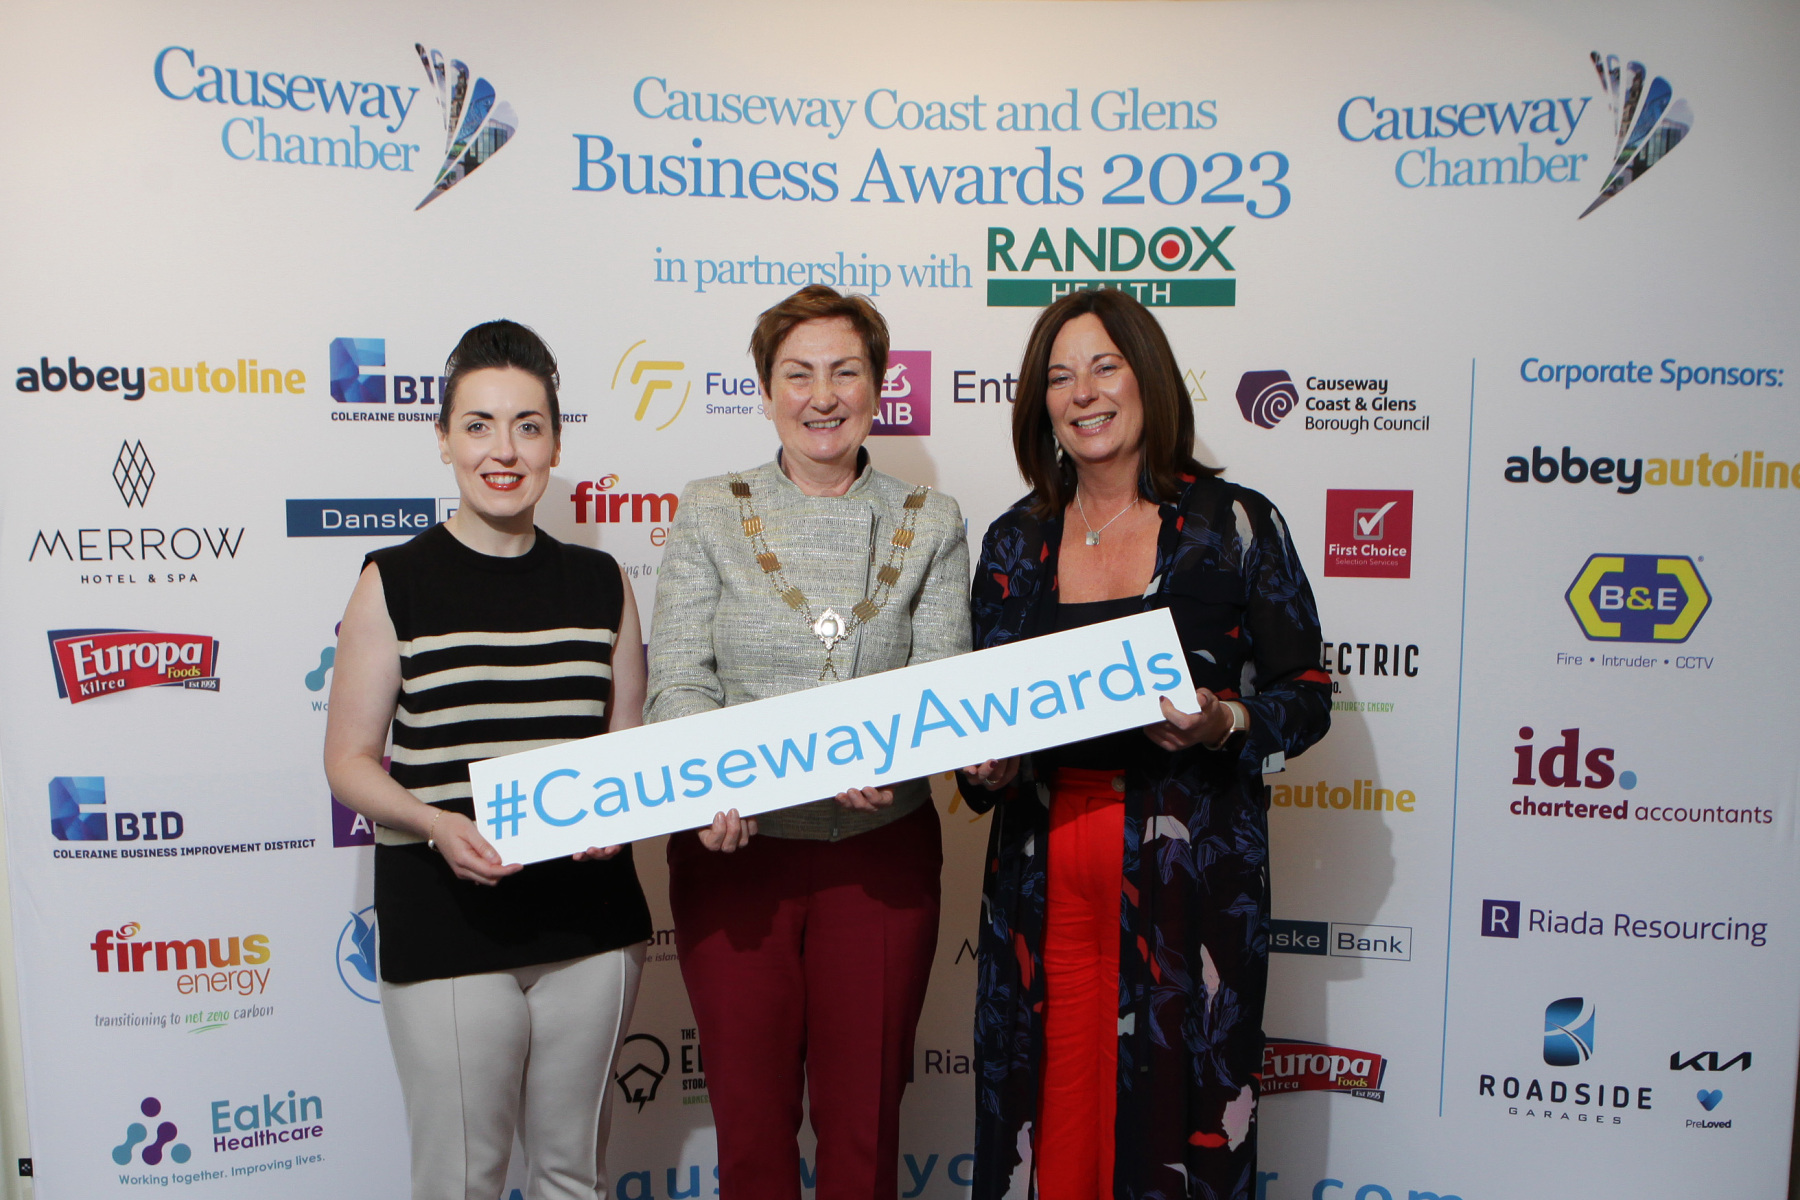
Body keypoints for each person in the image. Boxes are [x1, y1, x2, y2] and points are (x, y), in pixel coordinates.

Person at [958, 289, 1331, 1200]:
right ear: (1039, 404)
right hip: (1042, 878)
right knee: (1045, 1105)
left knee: (1178, 1115)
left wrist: (1224, 721)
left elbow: (1306, 696)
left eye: (1104, 367)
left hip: (1189, 881)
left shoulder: (1234, 524)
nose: (1083, 393)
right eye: (1059, 377)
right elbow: (983, 729)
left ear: (1149, 379)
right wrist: (987, 765)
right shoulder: (1013, 543)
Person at [645, 285, 971, 1200]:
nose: (822, 396)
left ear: (879, 388)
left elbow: (943, 681)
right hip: (734, 853)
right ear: (765, 390)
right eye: (798, 374)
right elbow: (679, 677)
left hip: (880, 856)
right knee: (751, 1133)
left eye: (845, 372)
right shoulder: (711, 509)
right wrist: (707, 779)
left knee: (864, 1126)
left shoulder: (931, 519)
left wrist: (898, 755)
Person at [324, 320, 651, 1200]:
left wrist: (620, 814)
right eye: (478, 425)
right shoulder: (394, 580)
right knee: (461, 1181)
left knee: (573, 1176)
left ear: (555, 444)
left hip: (590, 920)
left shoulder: (602, 581)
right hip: (446, 916)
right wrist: (434, 822)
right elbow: (349, 760)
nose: (503, 450)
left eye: (527, 426)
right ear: (443, 440)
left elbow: (626, 744)